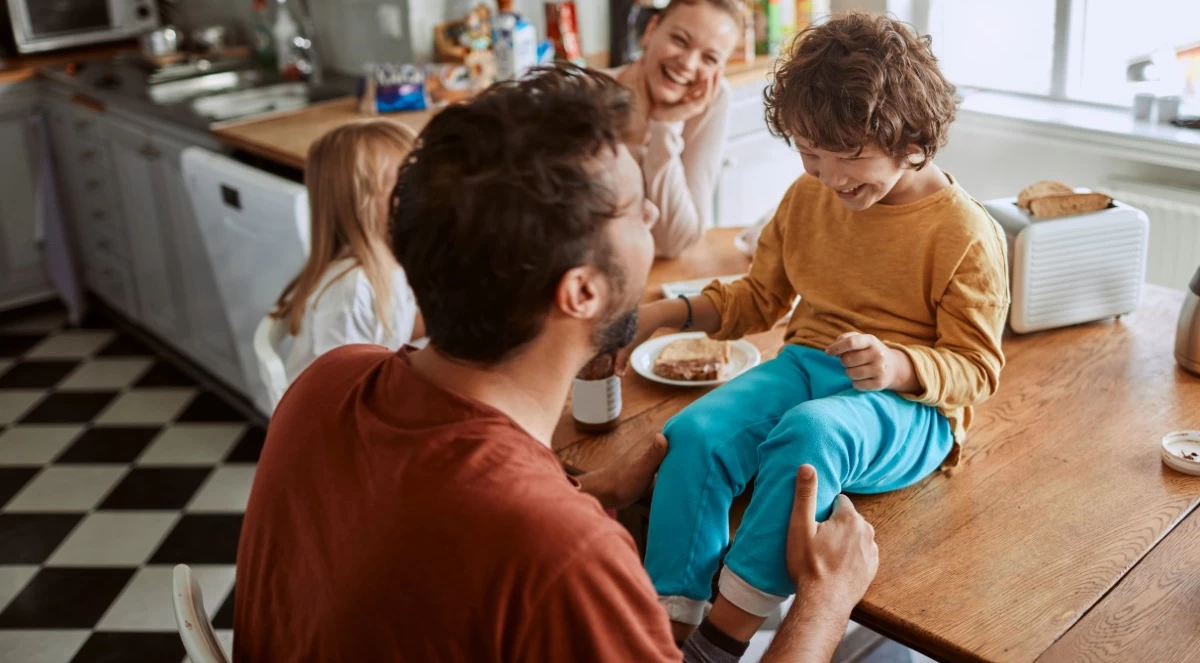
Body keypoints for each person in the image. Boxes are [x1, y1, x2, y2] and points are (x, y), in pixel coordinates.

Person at [235, 67, 878, 663]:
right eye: (634, 208)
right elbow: (516, 541)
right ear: (582, 292)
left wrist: (584, 492)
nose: (653, 213)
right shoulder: (566, 558)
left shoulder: (332, 377)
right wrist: (824, 602)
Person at [620, 13, 1010, 644]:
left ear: (912, 138)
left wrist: (897, 365)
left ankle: (723, 638)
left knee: (811, 433)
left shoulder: (965, 232)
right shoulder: (809, 197)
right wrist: (660, 316)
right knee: (693, 434)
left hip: (912, 410)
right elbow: (760, 298)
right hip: (806, 364)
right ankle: (669, 627)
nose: (831, 179)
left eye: (850, 157)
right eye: (810, 155)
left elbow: (978, 369)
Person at [270, 120, 424, 383]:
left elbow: (394, 329)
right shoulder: (351, 292)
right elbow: (336, 392)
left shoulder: (387, 266)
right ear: (360, 205)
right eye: (403, 187)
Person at [613, 0, 743, 258]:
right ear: (651, 31)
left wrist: (665, 127)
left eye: (709, 58)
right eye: (680, 40)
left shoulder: (712, 99)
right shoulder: (588, 92)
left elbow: (677, 241)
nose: (688, 64)